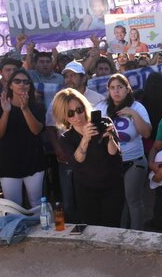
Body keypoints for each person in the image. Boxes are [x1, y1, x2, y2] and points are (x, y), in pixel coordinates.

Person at [53, 88, 124, 227]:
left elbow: (114, 153)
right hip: (86, 190)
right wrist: (85, 138)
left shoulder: (103, 122)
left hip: (112, 186)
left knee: (112, 227)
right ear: (64, 116)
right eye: (70, 113)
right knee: (92, 229)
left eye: (79, 110)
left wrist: (110, 138)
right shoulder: (66, 138)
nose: (77, 116)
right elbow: (77, 161)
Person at [46, 61, 105, 222]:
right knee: (68, 197)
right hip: (66, 157)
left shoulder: (98, 98)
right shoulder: (58, 100)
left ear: (83, 77)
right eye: (66, 75)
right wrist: (59, 149)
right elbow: (50, 127)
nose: (69, 78)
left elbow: (104, 127)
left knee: (90, 196)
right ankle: (74, 229)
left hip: (93, 158)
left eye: (73, 75)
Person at [96, 74, 152, 230]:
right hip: (110, 162)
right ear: (108, 90)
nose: (116, 91)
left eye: (120, 87)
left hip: (134, 161)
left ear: (128, 90)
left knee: (133, 200)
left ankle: (136, 235)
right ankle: (119, 233)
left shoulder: (137, 107)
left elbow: (146, 133)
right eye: (112, 88)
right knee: (117, 200)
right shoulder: (101, 107)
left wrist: (133, 114)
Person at [0, 69, 45, 207]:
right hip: (8, 163)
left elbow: (36, 131)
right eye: (17, 81)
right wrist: (6, 112)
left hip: (33, 161)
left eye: (26, 82)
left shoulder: (36, 107)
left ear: (30, 85)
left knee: (37, 203)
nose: (22, 84)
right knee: (13, 205)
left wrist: (25, 109)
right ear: (10, 85)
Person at [139, 72, 162, 231]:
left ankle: (143, 218)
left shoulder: (140, 103)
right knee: (161, 186)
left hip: (144, 150)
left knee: (143, 188)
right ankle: (160, 219)